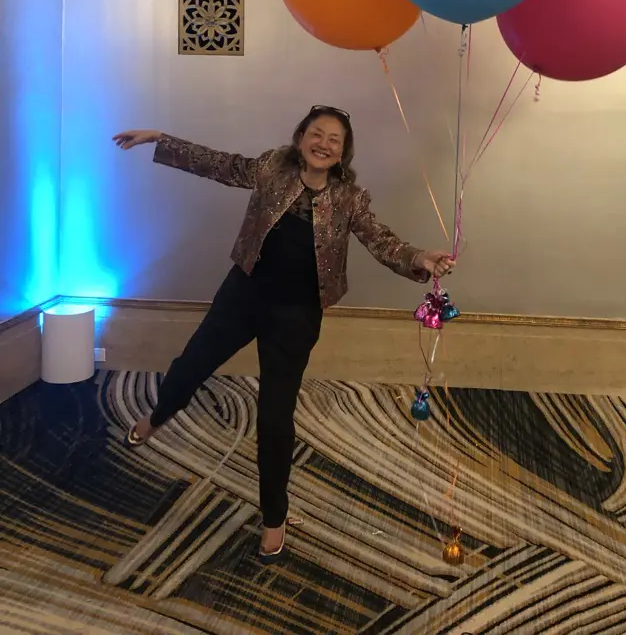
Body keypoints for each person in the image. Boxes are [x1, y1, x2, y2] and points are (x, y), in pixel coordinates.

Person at [112, 106, 454, 562]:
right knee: (190, 366)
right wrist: (161, 139)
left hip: (296, 316)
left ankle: (274, 517)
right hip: (243, 295)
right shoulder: (272, 167)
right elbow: (219, 164)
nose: (323, 144)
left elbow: (381, 240)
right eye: (317, 133)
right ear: (300, 138)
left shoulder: (349, 199)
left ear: (342, 152)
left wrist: (419, 259)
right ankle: (156, 417)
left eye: (334, 139)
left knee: (275, 417)